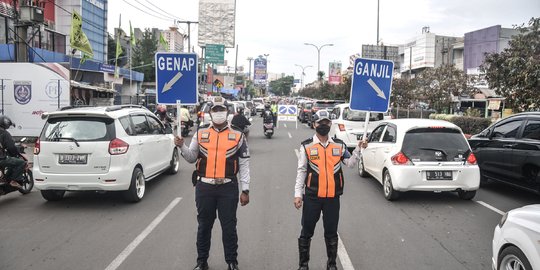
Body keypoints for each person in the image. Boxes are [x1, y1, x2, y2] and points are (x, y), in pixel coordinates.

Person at [175, 97, 250, 270]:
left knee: (229, 228)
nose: (218, 113)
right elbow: (191, 157)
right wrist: (181, 147)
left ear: (227, 112)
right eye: (215, 110)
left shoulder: (238, 135)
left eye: (221, 110)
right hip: (205, 187)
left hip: (228, 187)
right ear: (210, 113)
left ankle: (232, 262)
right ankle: (202, 262)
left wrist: (245, 189)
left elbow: (245, 164)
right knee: (204, 227)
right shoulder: (200, 133)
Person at [293, 110, 367, 270]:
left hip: (333, 198)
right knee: (306, 232)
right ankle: (303, 265)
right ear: (314, 125)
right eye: (320, 123)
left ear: (330, 125)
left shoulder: (339, 145)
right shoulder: (306, 146)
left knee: (331, 232)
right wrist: (298, 194)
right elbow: (301, 171)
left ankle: (332, 264)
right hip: (312, 197)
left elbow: (350, 163)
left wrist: (359, 150)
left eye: (326, 123)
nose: (323, 126)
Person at [0, 116, 24, 190]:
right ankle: (13, 180)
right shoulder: (4, 133)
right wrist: (17, 154)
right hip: (1, 159)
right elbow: (11, 147)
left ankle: (5, 178)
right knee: (21, 162)